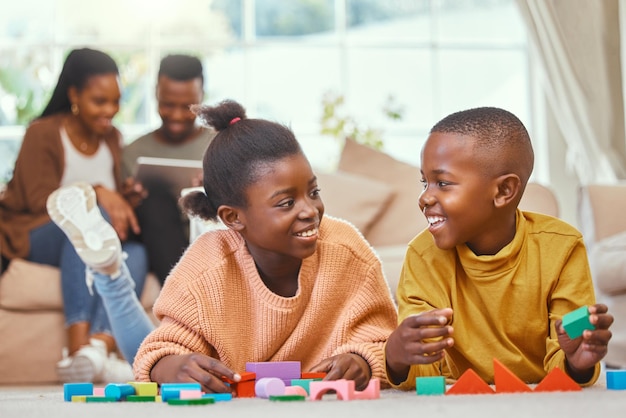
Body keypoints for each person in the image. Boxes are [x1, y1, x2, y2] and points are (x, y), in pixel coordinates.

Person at [48, 99, 398, 393]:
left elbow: (379, 336)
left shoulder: (347, 248)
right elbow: (162, 348)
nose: (310, 210)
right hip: (226, 381)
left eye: (314, 192)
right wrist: (173, 367)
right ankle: (112, 277)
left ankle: (110, 273)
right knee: (144, 358)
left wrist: (362, 359)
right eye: (286, 203)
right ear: (233, 218)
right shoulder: (207, 264)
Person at [384, 107, 614, 390]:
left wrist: (577, 362)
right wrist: (396, 356)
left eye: (442, 183)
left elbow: (568, 354)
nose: (425, 197)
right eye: (425, 182)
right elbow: (425, 374)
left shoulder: (562, 248)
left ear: (504, 191)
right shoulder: (423, 255)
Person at [0, 48, 148, 383]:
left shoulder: (112, 138)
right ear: (74, 95)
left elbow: (111, 205)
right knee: (83, 224)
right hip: (37, 234)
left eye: (116, 101)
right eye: (100, 101)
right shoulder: (43, 133)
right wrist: (96, 192)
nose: (110, 111)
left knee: (136, 252)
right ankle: (77, 344)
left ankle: (96, 349)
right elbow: (40, 202)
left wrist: (128, 198)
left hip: (89, 240)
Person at [122, 54, 215, 286]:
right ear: (155, 93)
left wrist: (214, 191)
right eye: (167, 104)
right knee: (154, 201)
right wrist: (130, 202)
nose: (176, 116)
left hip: (207, 240)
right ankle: (184, 293)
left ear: (202, 97)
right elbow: (125, 224)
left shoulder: (221, 146)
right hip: (156, 242)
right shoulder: (132, 153)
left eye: (187, 107)